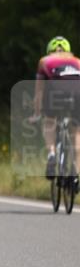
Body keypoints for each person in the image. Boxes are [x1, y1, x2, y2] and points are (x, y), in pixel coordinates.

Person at [32, 36, 80, 180]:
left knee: (49, 121)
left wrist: (36, 113)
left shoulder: (44, 61)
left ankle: (52, 154)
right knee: (76, 131)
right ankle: (76, 172)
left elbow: (39, 92)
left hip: (57, 91)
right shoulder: (77, 61)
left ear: (50, 51)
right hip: (77, 92)